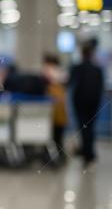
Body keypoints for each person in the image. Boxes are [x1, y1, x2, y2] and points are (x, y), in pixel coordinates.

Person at [69, 40, 104, 169]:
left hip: (80, 103)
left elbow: (70, 83)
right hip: (94, 103)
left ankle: (88, 155)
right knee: (90, 128)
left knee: (84, 128)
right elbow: (101, 87)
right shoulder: (98, 69)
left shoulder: (77, 67)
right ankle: (89, 154)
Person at [42, 53, 68, 165]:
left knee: (53, 133)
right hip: (58, 109)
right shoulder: (62, 73)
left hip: (55, 109)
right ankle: (58, 154)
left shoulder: (50, 72)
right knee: (57, 134)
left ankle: (53, 154)